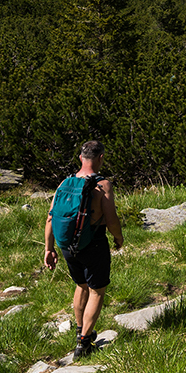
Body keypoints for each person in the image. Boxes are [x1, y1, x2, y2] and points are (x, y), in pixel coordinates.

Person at [43, 139, 124, 358]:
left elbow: (50, 219)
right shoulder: (103, 185)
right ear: (100, 158)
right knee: (97, 290)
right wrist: (118, 237)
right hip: (93, 242)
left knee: (81, 285)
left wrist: (49, 249)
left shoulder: (65, 183)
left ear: (80, 158)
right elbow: (111, 218)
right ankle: (84, 343)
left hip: (68, 245)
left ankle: (81, 330)